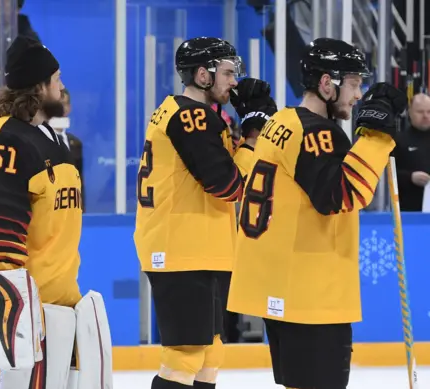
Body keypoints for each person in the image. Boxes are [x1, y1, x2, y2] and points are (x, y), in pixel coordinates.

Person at [227, 38, 407, 389]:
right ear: (327, 83)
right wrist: (375, 136)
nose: (359, 95)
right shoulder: (318, 133)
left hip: (280, 285)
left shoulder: (280, 121)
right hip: (310, 295)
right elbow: (343, 194)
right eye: (354, 84)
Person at [0, 36, 112, 389]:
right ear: (38, 86)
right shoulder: (6, 139)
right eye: (56, 78)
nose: (62, 85)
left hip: (53, 304)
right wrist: (15, 314)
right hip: (14, 308)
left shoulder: (52, 139)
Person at [134, 36, 267, 389]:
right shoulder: (192, 117)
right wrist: (252, 136)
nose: (234, 82)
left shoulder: (188, 113)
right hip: (182, 249)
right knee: (185, 357)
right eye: (226, 73)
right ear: (202, 75)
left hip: (199, 248)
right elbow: (231, 185)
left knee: (210, 356)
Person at [393, 93, 430, 211]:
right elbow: (388, 174)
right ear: (410, 113)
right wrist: (410, 177)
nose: (425, 116)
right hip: (409, 211)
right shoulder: (399, 140)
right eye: (420, 112)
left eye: (429, 112)